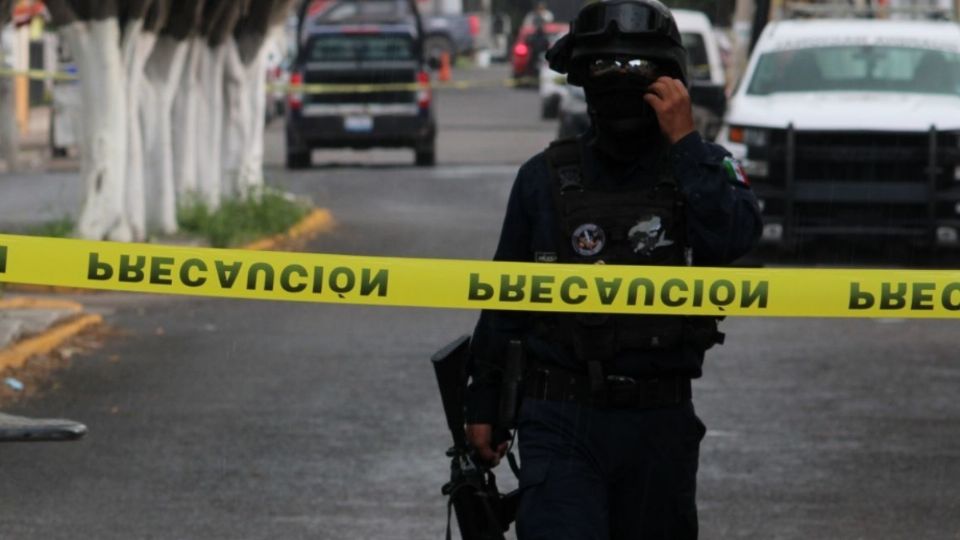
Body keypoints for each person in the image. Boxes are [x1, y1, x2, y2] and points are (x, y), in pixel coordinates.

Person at [464, 1, 763, 538]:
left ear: (671, 79)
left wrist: (686, 143)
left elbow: (735, 237)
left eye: (636, 69)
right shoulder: (544, 178)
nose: (622, 82)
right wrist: (484, 402)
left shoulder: (702, 166)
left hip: (659, 419)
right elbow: (507, 296)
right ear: (584, 79)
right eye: (606, 68)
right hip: (560, 414)